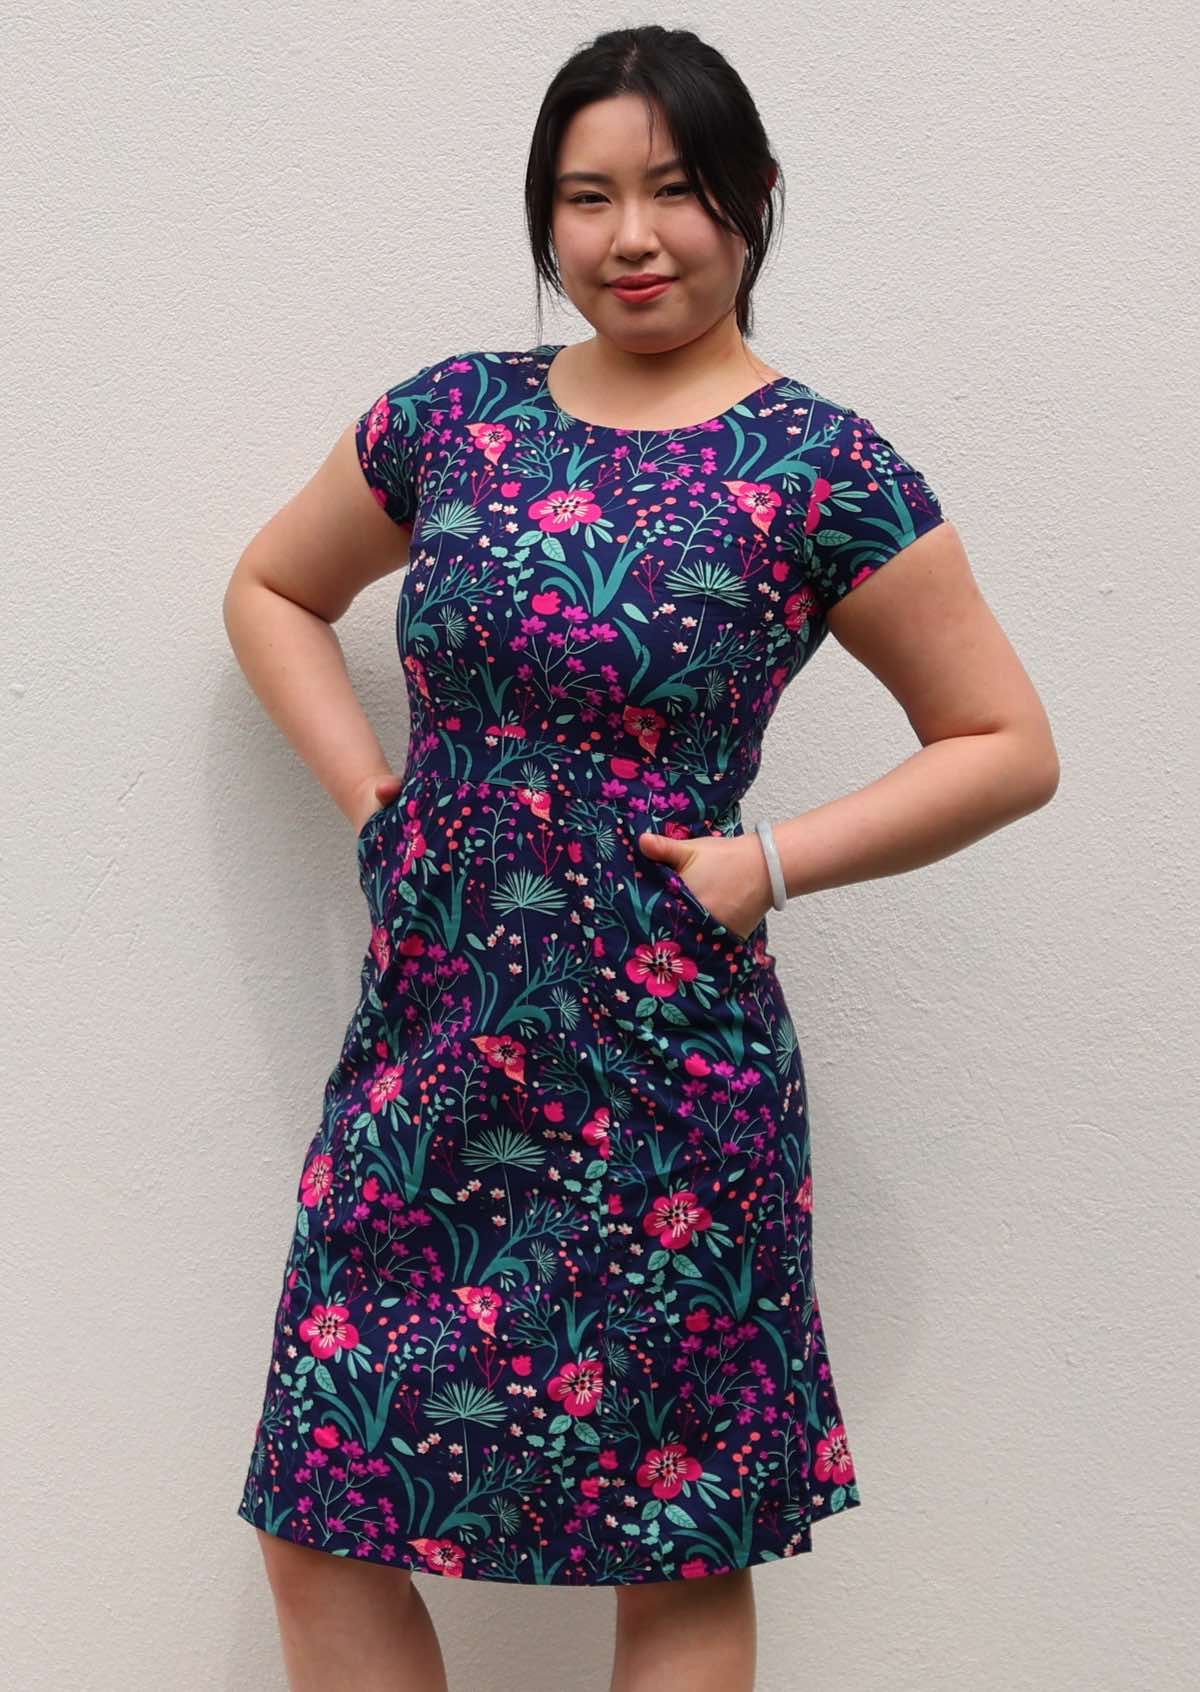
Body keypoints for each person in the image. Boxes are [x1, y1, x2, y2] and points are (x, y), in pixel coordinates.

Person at [223, 23, 1059, 1692]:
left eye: (675, 190)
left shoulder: (821, 466)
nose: (632, 236)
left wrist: (773, 862)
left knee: (672, 1538)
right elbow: (273, 591)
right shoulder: (451, 419)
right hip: (430, 1049)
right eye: (587, 196)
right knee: (320, 1503)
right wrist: (375, 802)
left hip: (667, 1065)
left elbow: (1006, 746)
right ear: (545, 222)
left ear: (748, 201)